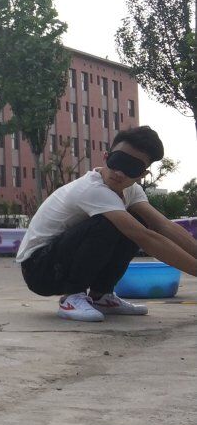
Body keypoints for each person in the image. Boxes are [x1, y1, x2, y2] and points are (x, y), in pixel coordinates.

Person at [17, 126, 197, 321]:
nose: (119, 172)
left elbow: (164, 226)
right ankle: (72, 297)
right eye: (117, 161)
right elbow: (146, 237)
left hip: (59, 261)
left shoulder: (132, 191)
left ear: (142, 174)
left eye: (131, 168)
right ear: (105, 156)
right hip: (39, 269)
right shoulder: (93, 189)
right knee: (113, 223)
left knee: (137, 219)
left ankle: (101, 296)